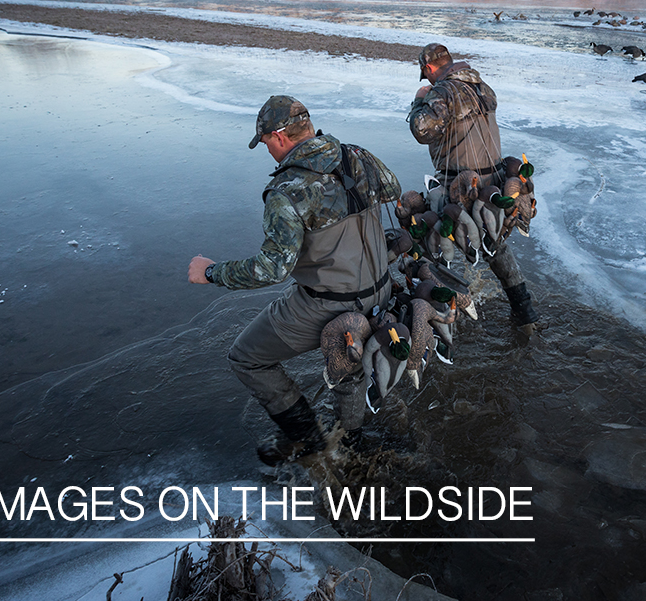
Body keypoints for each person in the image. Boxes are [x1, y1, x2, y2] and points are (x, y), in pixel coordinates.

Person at [189, 95, 401, 464]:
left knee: (246, 358)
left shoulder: (287, 190)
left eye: (266, 143)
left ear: (280, 137)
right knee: (347, 359)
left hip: (328, 302)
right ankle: (352, 440)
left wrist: (211, 272)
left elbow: (272, 270)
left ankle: (310, 440)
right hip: (381, 291)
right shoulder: (357, 155)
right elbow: (393, 190)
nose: (268, 150)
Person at [407, 43, 540, 331]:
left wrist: (420, 100)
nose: (427, 81)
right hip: (493, 181)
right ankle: (525, 313)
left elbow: (422, 130)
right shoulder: (482, 87)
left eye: (426, 75)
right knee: (497, 248)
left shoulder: (442, 91)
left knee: (432, 251)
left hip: (458, 186)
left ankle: (438, 319)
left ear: (429, 68)